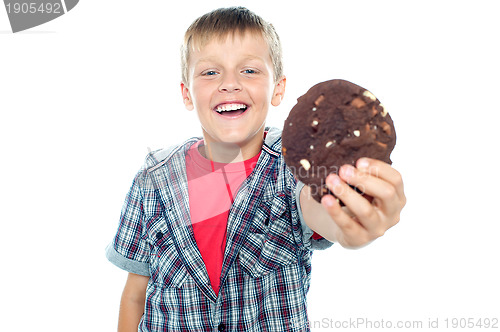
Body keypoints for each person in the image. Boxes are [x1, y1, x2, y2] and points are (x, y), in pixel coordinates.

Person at [105, 6, 406, 332]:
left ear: (277, 88)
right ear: (186, 94)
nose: (229, 84)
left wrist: (351, 224)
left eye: (249, 71)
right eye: (210, 73)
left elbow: (317, 206)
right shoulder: (153, 181)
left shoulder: (291, 170)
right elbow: (136, 294)